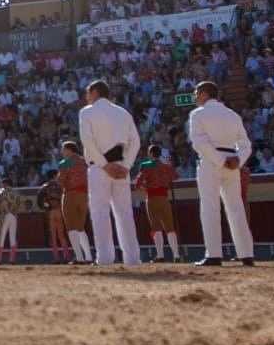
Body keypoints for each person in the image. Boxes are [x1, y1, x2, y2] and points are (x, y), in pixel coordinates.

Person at [185, 81, 255, 266]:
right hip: (232, 162)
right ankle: (246, 253)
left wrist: (219, 160)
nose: (195, 97)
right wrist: (238, 160)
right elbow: (245, 143)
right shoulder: (232, 115)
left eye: (196, 93)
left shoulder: (197, 114)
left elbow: (199, 142)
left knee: (210, 207)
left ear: (204, 93)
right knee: (236, 207)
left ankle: (214, 254)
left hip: (211, 162)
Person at [76, 80, 140, 266]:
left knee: (100, 213)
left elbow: (87, 141)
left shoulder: (87, 112)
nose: (87, 97)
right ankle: (133, 258)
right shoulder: (123, 113)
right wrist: (126, 166)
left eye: (88, 93)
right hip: (121, 168)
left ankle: (104, 258)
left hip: (99, 168)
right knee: (125, 213)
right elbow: (135, 142)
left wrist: (104, 164)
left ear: (95, 92)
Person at [134, 149, 181, 262]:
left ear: (150, 154)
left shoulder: (146, 166)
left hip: (151, 198)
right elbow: (175, 177)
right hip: (164, 198)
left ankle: (160, 256)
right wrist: (170, 167)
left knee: (156, 227)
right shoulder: (166, 166)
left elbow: (137, 183)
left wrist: (145, 189)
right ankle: (176, 256)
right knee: (170, 227)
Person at [55, 141, 91, 264]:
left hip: (70, 194)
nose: (62, 152)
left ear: (69, 150)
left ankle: (79, 258)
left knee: (72, 227)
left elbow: (60, 181)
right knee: (81, 228)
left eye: (63, 149)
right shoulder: (84, 161)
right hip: (84, 195)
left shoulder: (66, 162)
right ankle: (89, 257)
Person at [36, 175, 68, 264]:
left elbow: (39, 201)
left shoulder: (45, 187)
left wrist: (45, 207)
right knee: (62, 235)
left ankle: (56, 259)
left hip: (50, 212)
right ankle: (66, 257)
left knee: (53, 236)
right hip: (59, 211)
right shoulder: (60, 186)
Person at [0, 184, 22, 266]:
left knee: (1, 238)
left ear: (5, 184)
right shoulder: (17, 193)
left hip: (4, 216)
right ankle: (12, 259)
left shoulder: (1, 192)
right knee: (12, 237)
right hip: (14, 216)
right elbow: (19, 205)